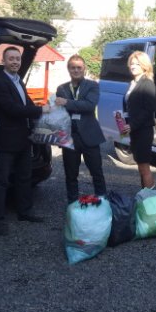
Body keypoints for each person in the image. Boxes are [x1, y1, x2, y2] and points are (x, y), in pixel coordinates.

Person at [0, 46, 50, 236]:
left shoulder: (18, 81)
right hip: (7, 141)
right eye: (11, 59)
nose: (15, 62)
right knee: (2, 181)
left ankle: (24, 211)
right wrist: (40, 111)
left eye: (17, 58)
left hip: (24, 139)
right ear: (4, 61)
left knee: (25, 177)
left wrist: (41, 110)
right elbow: (12, 109)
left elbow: (27, 104)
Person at [54, 55, 107, 204]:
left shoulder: (92, 86)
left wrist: (66, 102)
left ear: (84, 69)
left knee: (96, 172)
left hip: (90, 135)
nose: (76, 70)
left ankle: (102, 201)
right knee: (71, 174)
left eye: (79, 67)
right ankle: (72, 204)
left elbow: (89, 106)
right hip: (70, 137)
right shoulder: (61, 88)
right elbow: (60, 112)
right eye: (73, 67)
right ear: (68, 69)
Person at [122, 51, 156, 190]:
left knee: (144, 167)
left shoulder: (147, 83)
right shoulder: (132, 83)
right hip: (134, 130)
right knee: (140, 165)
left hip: (143, 130)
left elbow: (148, 110)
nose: (133, 66)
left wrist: (132, 125)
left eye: (137, 63)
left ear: (144, 66)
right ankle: (144, 196)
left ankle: (150, 199)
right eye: (132, 63)